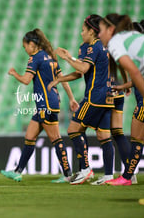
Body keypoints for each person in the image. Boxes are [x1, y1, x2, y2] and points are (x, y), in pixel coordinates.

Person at [0, 28, 77, 183]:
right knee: (29, 137)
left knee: (55, 138)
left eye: (25, 47)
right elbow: (62, 79)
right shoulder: (51, 57)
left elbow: (26, 80)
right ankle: (17, 171)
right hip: (51, 101)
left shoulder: (35, 58)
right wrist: (71, 98)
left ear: (32, 44)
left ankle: (68, 174)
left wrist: (14, 73)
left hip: (45, 104)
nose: (25, 50)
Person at [50, 14, 115, 185]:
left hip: (95, 97)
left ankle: (86, 169)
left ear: (92, 32)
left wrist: (67, 57)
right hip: (108, 97)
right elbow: (80, 72)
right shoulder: (97, 46)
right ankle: (108, 175)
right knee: (103, 135)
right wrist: (60, 79)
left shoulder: (95, 47)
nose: (81, 33)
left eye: (83, 30)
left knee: (73, 129)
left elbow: (83, 68)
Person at [97, 14, 144, 186]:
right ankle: (127, 177)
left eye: (100, 30)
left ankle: (127, 177)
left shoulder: (116, 42)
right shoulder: (135, 39)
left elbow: (136, 74)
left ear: (111, 29)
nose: (98, 35)